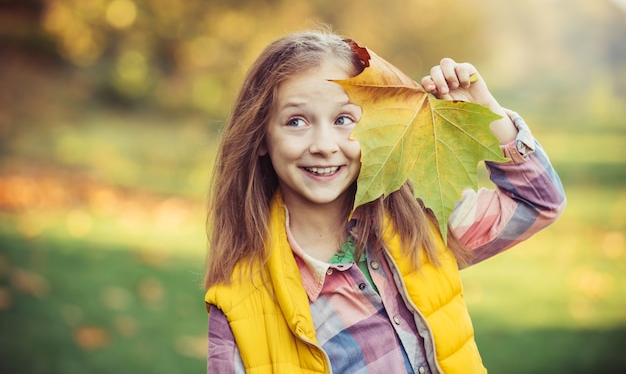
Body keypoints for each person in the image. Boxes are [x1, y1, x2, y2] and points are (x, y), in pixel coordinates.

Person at [203, 29, 566, 374]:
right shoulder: (239, 304)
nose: (325, 144)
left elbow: (540, 201)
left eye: (344, 119)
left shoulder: (421, 222)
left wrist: (485, 112)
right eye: (296, 121)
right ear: (262, 137)